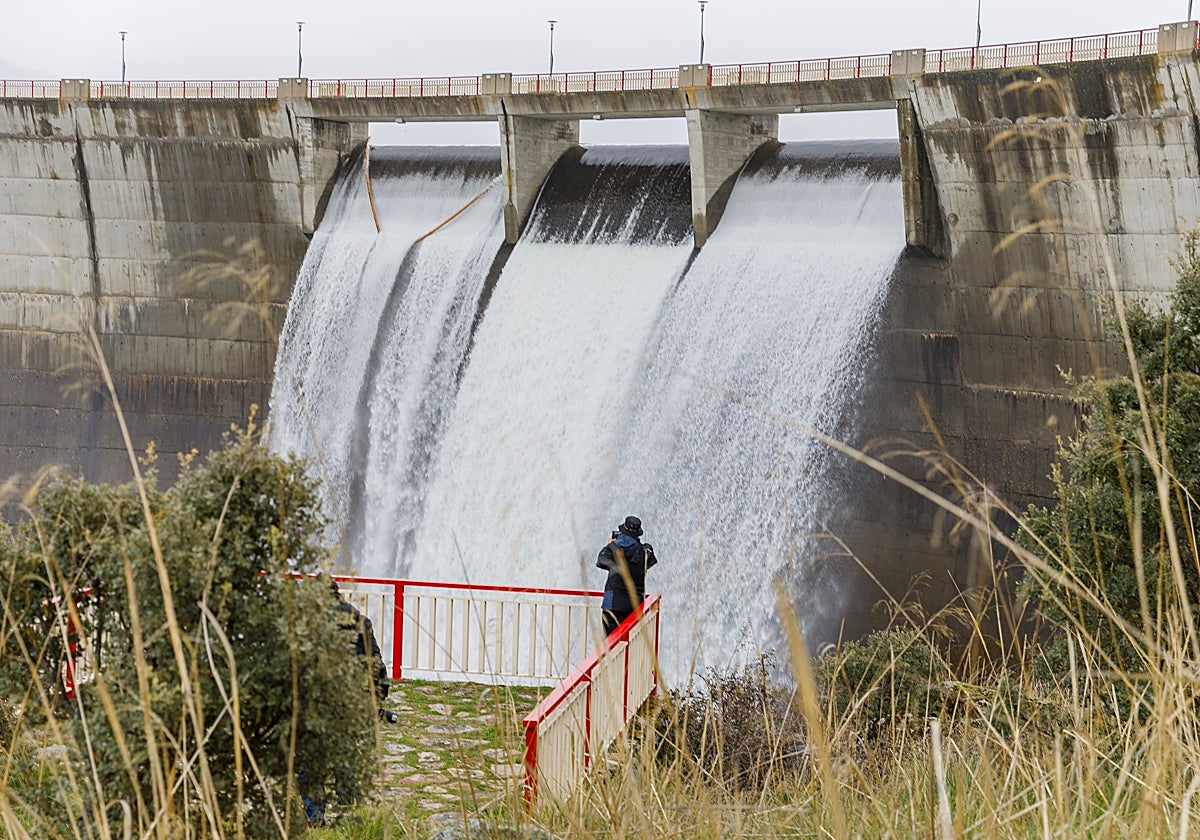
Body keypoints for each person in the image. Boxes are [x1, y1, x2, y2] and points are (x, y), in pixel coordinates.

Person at [302, 579, 393, 824]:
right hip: (350, 702)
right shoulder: (360, 621)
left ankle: (314, 816)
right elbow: (375, 664)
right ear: (338, 596)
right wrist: (379, 696)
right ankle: (347, 809)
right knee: (346, 754)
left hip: (316, 702)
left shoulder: (306, 623)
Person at [596, 515, 658, 637]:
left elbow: (601, 561)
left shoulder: (614, 548)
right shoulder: (645, 551)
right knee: (631, 643)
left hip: (613, 604)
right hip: (635, 605)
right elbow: (649, 563)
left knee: (611, 644)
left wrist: (610, 546)